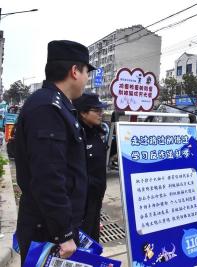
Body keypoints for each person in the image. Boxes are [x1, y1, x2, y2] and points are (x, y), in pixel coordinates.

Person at [15, 40, 95, 265]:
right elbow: (48, 177)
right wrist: (64, 234)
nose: (88, 78)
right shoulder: (47, 108)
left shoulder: (60, 105)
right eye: (87, 71)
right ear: (74, 71)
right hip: (47, 232)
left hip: (54, 226)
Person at [73, 93, 108, 242]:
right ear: (82, 112)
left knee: (93, 241)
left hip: (96, 199)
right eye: (97, 110)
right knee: (81, 242)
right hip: (81, 203)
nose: (101, 113)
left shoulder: (97, 132)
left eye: (101, 110)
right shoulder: (76, 134)